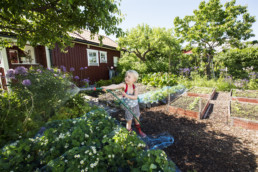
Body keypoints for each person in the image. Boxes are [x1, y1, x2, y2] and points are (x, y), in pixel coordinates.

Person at [102, 70, 146, 138]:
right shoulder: (124, 85)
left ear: (134, 79)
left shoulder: (135, 88)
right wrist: (106, 87)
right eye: (126, 76)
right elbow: (115, 86)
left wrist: (127, 95)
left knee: (137, 120)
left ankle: (139, 131)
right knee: (129, 121)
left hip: (135, 106)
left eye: (129, 77)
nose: (126, 78)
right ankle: (130, 134)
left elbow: (135, 97)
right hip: (128, 107)